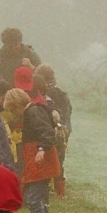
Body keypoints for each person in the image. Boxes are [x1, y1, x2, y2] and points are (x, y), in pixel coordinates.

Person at [13, 65, 60, 213]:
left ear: (18, 104)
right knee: (37, 197)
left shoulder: (33, 112)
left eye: (13, 109)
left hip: (41, 162)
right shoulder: (32, 111)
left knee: (33, 198)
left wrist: (41, 149)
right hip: (38, 161)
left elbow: (47, 133)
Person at [34, 62, 71, 196]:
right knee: (59, 160)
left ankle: (47, 188)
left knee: (48, 160)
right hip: (64, 131)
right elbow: (67, 112)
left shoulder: (43, 94)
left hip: (50, 131)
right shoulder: (62, 94)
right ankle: (61, 192)